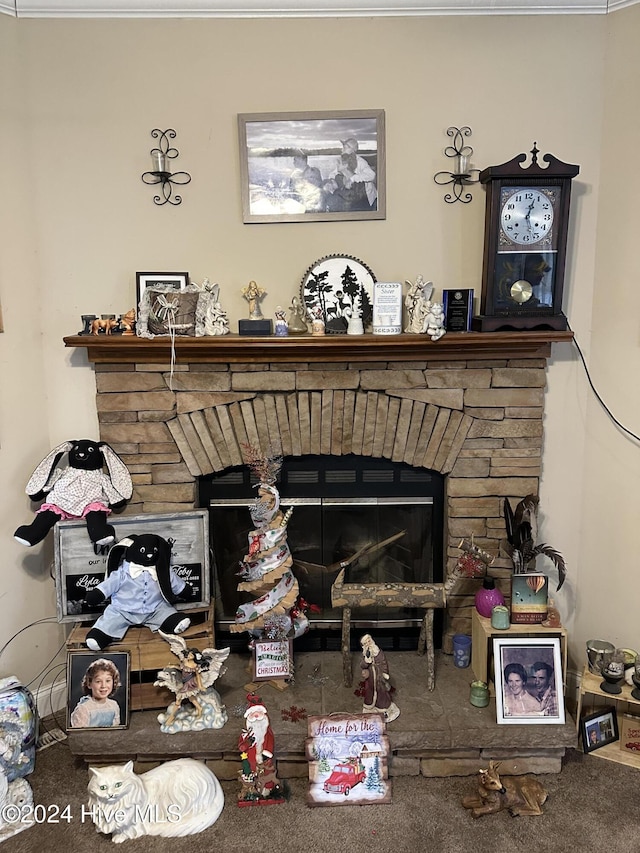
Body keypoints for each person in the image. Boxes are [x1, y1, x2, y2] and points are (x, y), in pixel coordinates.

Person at [326, 138, 377, 211]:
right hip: (355, 197)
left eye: (345, 147)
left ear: (353, 150)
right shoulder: (343, 161)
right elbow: (334, 173)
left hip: (368, 199)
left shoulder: (361, 162)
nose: (342, 149)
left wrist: (352, 179)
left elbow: (372, 175)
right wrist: (331, 180)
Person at [70, 658, 121, 728]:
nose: (103, 686)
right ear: (89, 684)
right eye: (98, 681)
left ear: (114, 682)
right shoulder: (84, 709)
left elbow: (116, 727)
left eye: (108, 681)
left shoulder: (113, 705)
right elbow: (80, 735)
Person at [360, 634, 400, 722]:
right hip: (370, 678)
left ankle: (383, 708)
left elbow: (383, 663)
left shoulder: (378, 652)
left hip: (379, 677)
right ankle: (370, 708)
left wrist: (384, 673)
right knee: (370, 692)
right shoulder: (366, 654)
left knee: (381, 693)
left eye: (369, 641)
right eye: (366, 643)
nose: (368, 644)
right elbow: (363, 665)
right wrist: (366, 662)